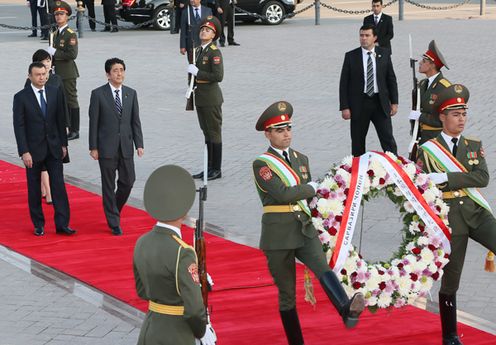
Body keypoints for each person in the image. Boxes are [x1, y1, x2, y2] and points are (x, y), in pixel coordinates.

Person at [253, 101, 365, 345]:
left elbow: (308, 195)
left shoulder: (301, 159)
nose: (286, 134)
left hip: (303, 227)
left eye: (288, 129)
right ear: (268, 134)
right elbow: (282, 194)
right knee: (287, 295)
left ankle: (346, 310)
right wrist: (311, 187)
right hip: (278, 234)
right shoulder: (262, 164)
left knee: (322, 267)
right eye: (280, 130)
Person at [417, 84, 496, 345]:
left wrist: (448, 178)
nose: (461, 119)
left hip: (477, 213)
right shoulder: (428, 149)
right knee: (452, 279)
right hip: (450, 219)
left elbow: (482, 178)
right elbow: (423, 184)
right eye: (455, 114)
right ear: (442, 117)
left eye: (464, 113)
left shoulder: (473, 145)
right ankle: (449, 335)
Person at [133, 164, 216, 345]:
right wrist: (202, 331)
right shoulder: (183, 252)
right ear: (184, 209)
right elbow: (194, 310)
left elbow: (141, 290)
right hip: (176, 334)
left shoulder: (142, 242)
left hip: (150, 329)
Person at [13, 62, 76, 236]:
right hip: (32, 151)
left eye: (44, 73)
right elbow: (19, 126)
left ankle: (62, 224)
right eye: (38, 74)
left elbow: (60, 120)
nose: (42, 77)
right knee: (34, 189)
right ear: (30, 76)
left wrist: (64, 145)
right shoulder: (21, 97)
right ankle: (38, 224)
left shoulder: (55, 92)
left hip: (54, 148)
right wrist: (24, 151)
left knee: (59, 187)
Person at [88, 58, 144, 236]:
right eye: (115, 70)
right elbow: (93, 123)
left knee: (128, 181)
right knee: (108, 185)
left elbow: (135, 121)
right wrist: (93, 147)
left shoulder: (131, 93)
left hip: (126, 146)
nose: (119, 73)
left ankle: (114, 209)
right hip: (106, 147)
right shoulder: (98, 94)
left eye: (121, 70)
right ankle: (113, 222)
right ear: (108, 74)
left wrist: (139, 144)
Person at [339, 24, 398, 157]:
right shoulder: (351, 56)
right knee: (358, 141)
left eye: (367, 35)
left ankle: (395, 166)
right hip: (359, 104)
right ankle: (358, 170)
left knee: (388, 139)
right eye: (361, 35)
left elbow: (391, 79)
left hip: (380, 103)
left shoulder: (384, 54)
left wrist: (394, 102)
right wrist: (345, 107)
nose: (363, 38)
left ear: (374, 38)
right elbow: (344, 83)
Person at [24, 49, 70, 205]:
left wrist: (66, 125)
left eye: (49, 60)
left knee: (53, 160)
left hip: (54, 129)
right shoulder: (29, 82)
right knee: (41, 162)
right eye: (44, 61)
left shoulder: (57, 80)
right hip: (37, 131)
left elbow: (64, 104)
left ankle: (47, 189)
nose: (47, 64)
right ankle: (48, 192)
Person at [188, 16, 224, 181]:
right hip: (201, 97)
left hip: (211, 98)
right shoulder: (199, 50)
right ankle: (207, 167)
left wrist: (198, 73)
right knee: (206, 133)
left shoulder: (214, 52)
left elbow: (218, 76)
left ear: (214, 35)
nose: (204, 31)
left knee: (214, 133)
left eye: (208, 30)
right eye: (202, 29)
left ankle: (216, 169)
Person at [46, 1, 80, 141]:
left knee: (71, 100)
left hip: (67, 73)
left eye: (61, 14)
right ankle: (64, 126)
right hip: (55, 72)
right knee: (60, 101)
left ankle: (75, 130)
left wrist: (56, 52)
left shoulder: (70, 34)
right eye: (56, 14)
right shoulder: (54, 34)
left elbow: (72, 55)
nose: (58, 17)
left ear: (67, 16)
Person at [409, 40, 451, 145]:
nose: (420, 63)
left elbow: (445, 118)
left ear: (432, 65)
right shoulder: (422, 84)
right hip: (421, 137)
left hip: (436, 138)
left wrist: (420, 116)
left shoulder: (444, 88)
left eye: (424, 61)